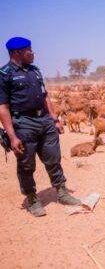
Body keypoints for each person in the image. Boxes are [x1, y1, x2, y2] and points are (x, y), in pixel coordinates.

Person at [0, 37, 80, 217]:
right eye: (29, 50)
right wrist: (12, 136)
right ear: (17, 53)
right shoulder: (5, 74)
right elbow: (3, 108)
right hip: (23, 123)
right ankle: (32, 199)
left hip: (44, 120)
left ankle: (62, 192)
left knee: (53, 158)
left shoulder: (35, 71)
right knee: (26, 164)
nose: (33, 53)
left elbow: (45, 97)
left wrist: (55, 119)